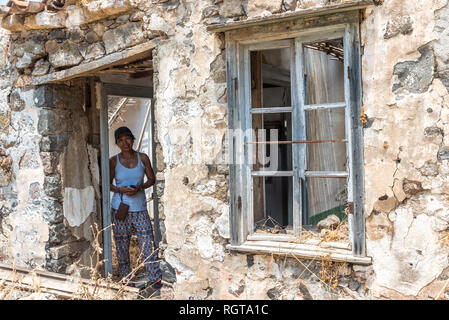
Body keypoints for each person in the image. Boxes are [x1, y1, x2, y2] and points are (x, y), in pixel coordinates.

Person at [109, 126, 162, 289]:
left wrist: (139, 188)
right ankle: (127, 280)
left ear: (133, 139)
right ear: (117, 143)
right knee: (122, 244)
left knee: (148, 243)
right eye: (120, 140)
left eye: (127, 139)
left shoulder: (143, 158)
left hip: (139, 208)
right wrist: (120, 189)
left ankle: (155, 278)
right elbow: (107, 184)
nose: (125, 142)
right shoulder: (113, 161)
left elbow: (151, 179)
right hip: (120, 207)